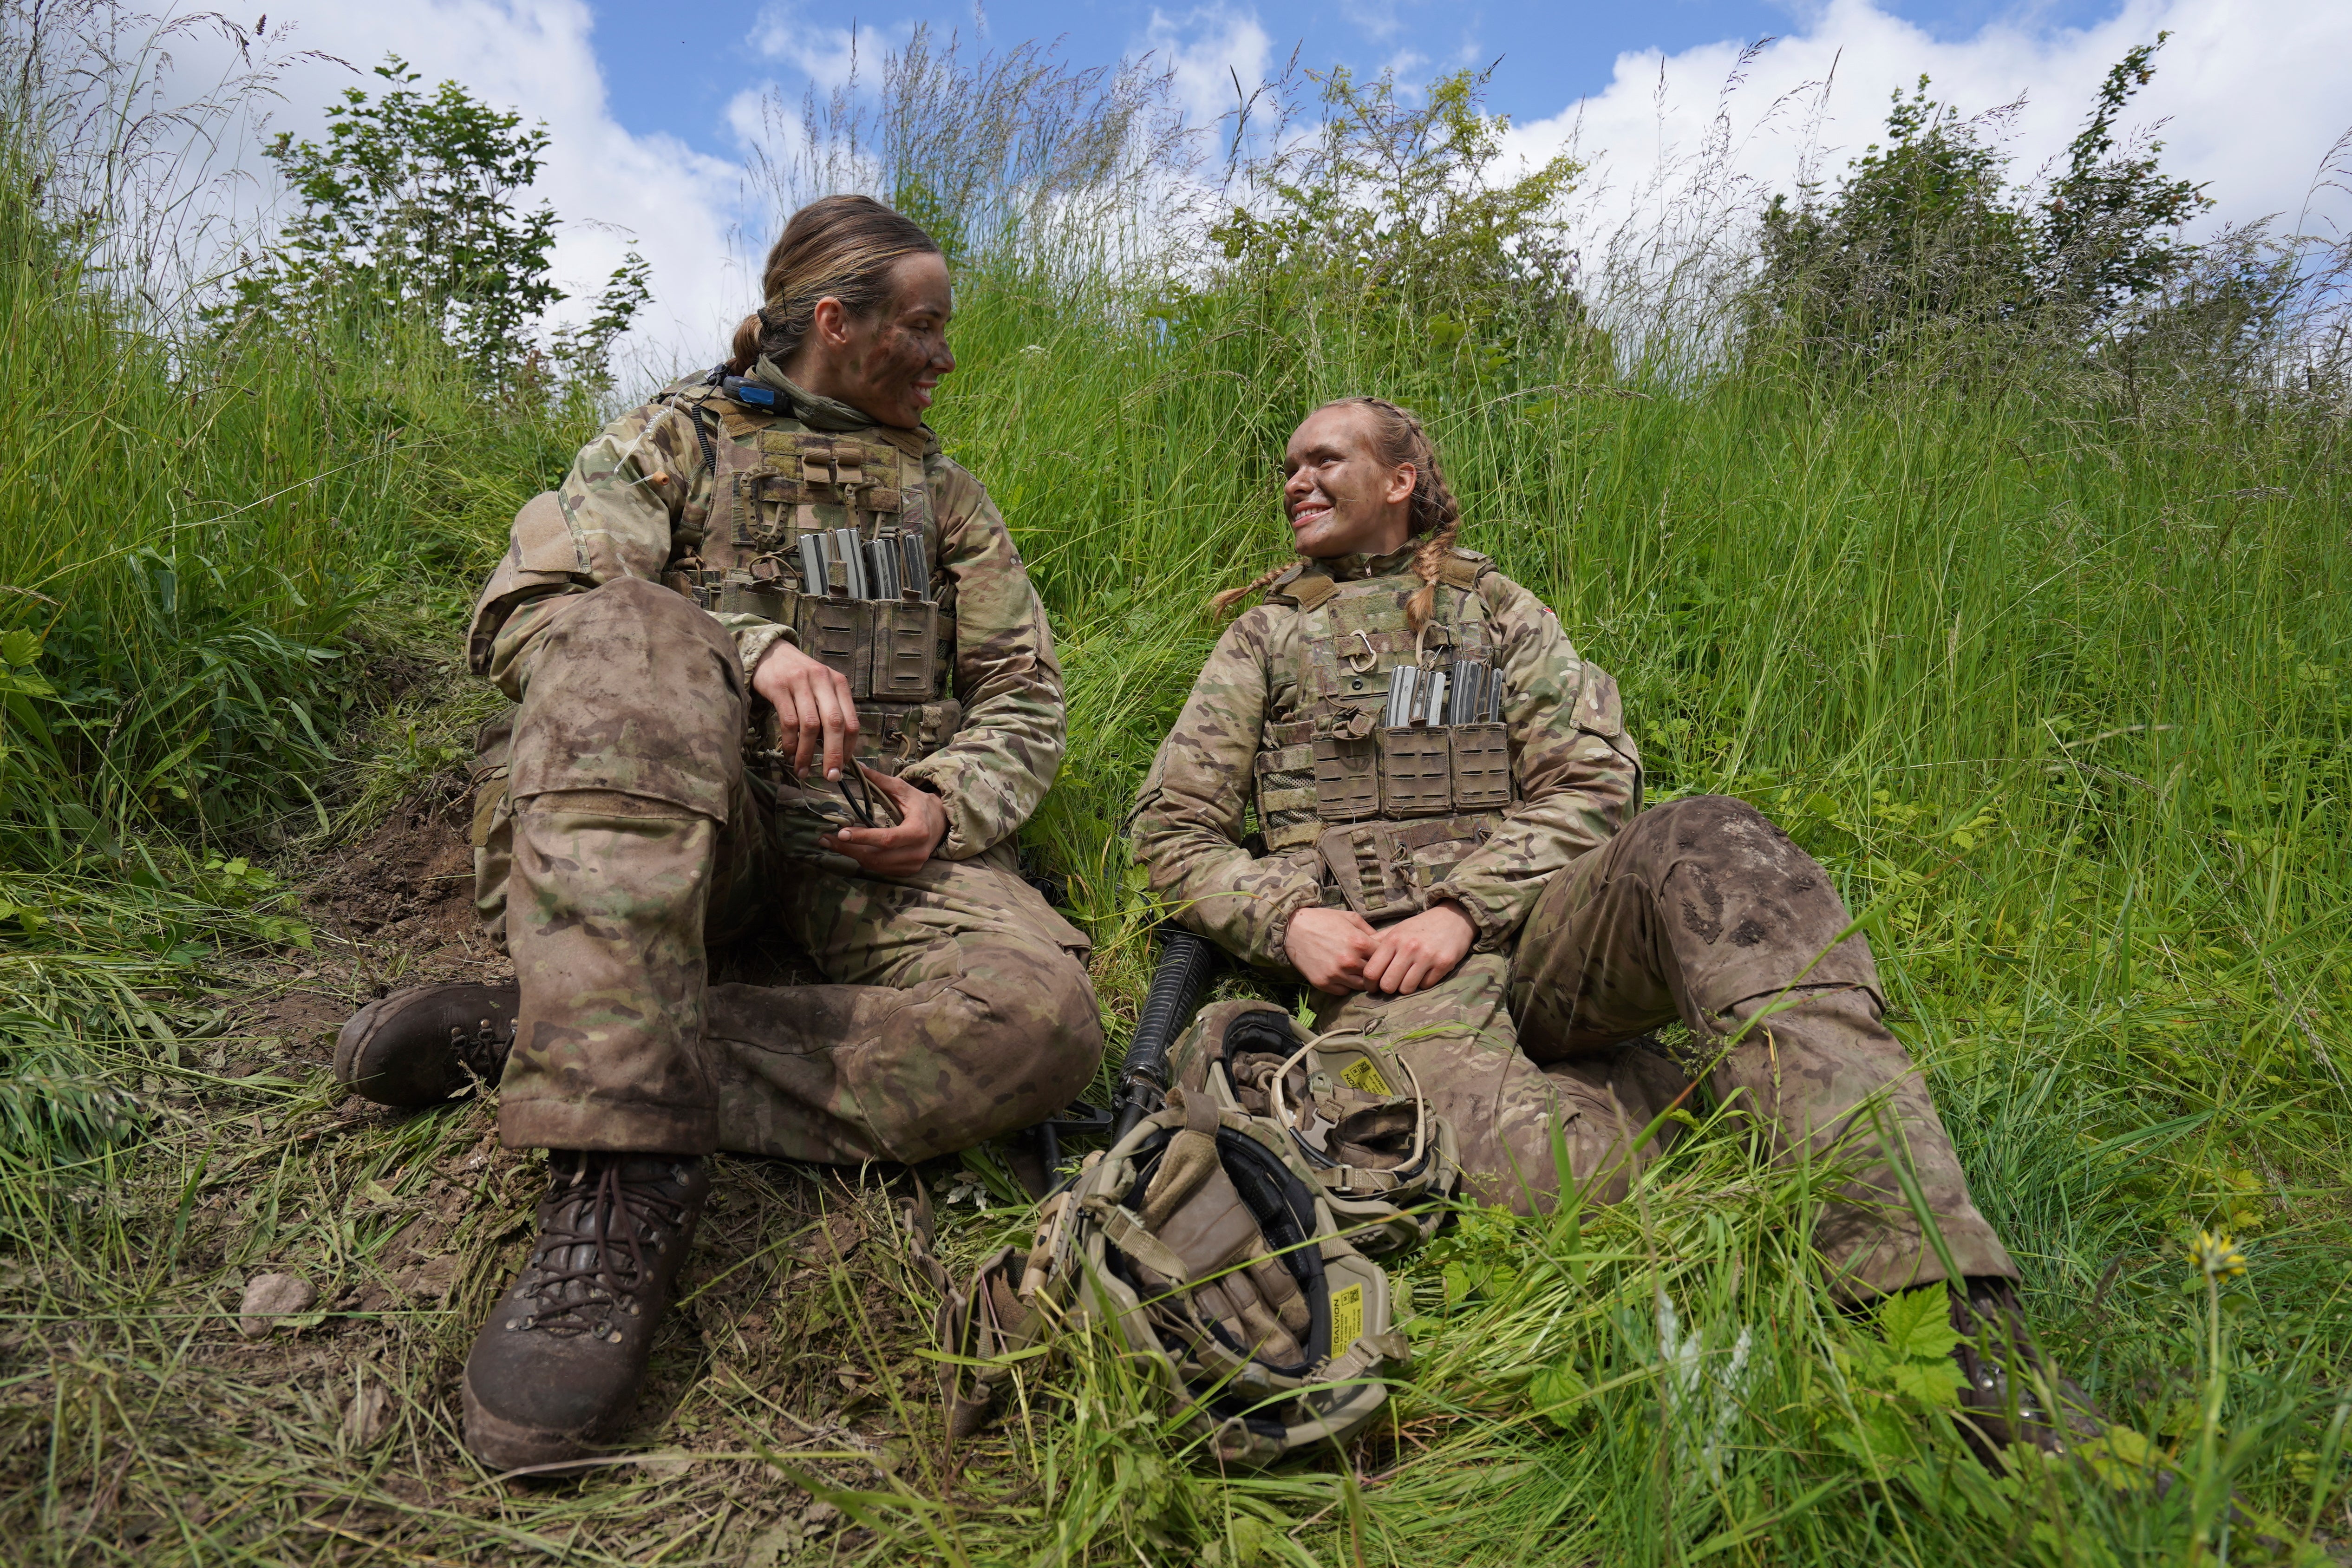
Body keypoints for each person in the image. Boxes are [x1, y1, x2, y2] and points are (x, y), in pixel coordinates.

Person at [1131, 395, 2085, 1458]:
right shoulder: (1265, 635)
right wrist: (1290, 917)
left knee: (1717, 842)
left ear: (1400, 480)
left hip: (1549, 934)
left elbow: (1594, 781)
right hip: (1391, 985)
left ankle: (1945, 1310)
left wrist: (1465, 905)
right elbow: (1171, 828)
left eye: (1326, 459)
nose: (1297, 481)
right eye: (1289, 465)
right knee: (1557, 1186)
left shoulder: (1501, 615)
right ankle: (1709, 1102)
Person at [332, 196, 1102, 1470]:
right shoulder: (673, 444)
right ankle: (618, 1174)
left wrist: (947, 805)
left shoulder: (945, 498)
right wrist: (745, 647)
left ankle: (560, 1032)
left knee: (1043, 1025)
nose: (945, 357)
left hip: (868, 838)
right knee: (631, 626)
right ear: (836, 322)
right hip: (680, 825)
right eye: (922, 327)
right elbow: (532, 611)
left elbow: (1027, 693)